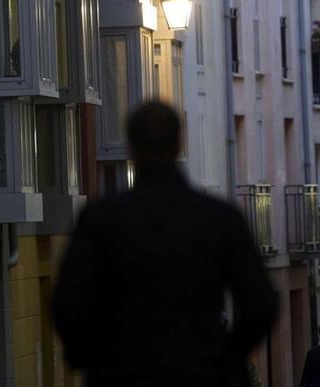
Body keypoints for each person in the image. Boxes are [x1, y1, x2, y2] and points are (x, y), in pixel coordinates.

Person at [52, 101, 276, 386]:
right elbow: (261, 303)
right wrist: (227, 357)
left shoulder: (101, 219)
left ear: (131, 148)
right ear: (178, 145)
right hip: (200, 372)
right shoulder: (218, 218)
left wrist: (92, 358)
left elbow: (67, 303)